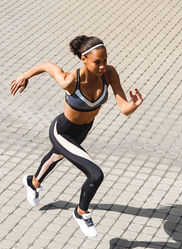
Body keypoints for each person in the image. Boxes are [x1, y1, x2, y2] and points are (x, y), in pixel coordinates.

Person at [10, 36, 143, 237]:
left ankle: (33, 182)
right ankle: (81, 213)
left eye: (105, 60)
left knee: (56, 156)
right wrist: (25, 76)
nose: (102, 66)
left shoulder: (109, 74)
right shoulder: (72, 80)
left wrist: (134, 104)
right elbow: (48, 65)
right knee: (95, 174)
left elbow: (124, 108)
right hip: (62, 130)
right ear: (83, 59)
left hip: (82, 132)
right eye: (97, 62)